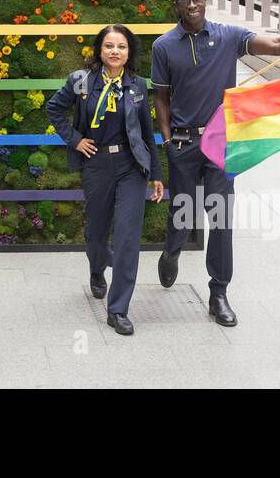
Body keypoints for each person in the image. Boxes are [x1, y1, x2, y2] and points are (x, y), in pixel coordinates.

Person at [150, 0, 280, 327]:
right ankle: (171, 251)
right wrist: (168, 142)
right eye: (186, 1)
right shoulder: (164, 46)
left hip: (221, 144)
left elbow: (275, 45)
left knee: (221, 218)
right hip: (183, 145)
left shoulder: (227, 36)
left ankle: (219, 294)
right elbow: (161, 98)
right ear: (177, 6)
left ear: (205, 1)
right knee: (183, 217)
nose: (194, 5)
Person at [46, 25, 164, 335]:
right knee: (97, 233)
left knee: (127, 238)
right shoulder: (81, 81)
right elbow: (54, 109)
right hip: (96, 164)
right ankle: (97, 268)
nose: (115, 51)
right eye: (109, 45)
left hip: (130, 166)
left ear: (129, 52)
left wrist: (155, 174)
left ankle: (118, 309)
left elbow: (145, 133)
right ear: (100, 50)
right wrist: (75, 140)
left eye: (121, 46)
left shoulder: (137, 86)